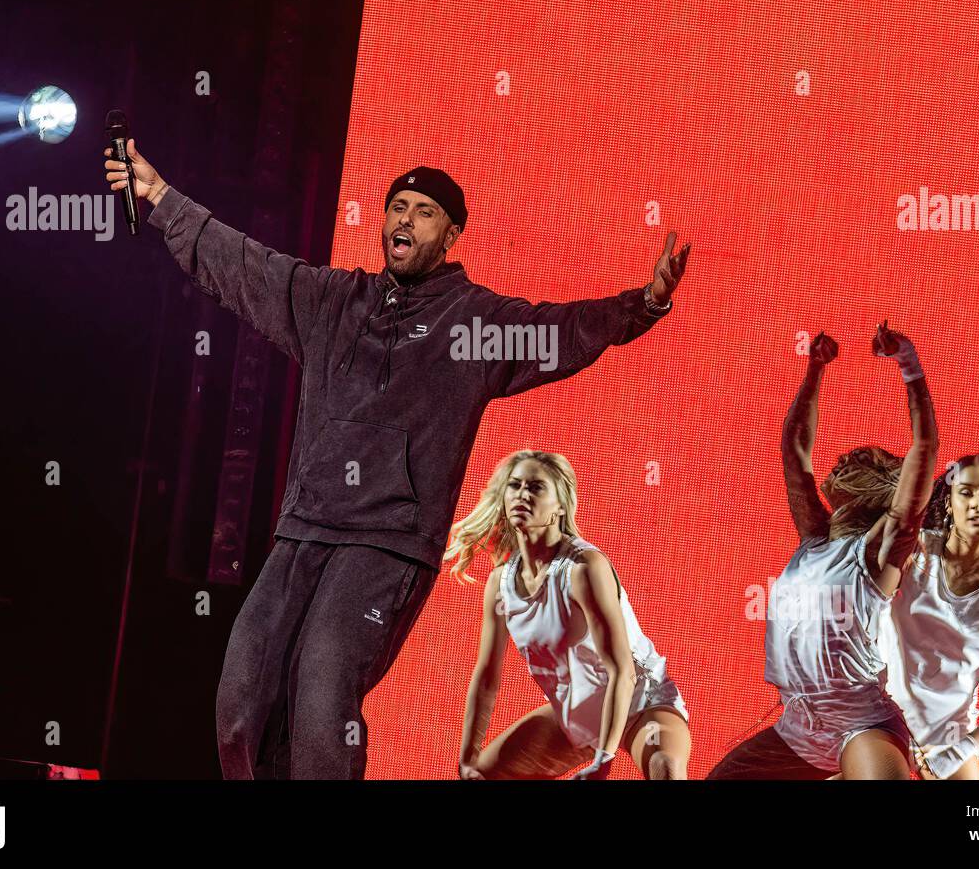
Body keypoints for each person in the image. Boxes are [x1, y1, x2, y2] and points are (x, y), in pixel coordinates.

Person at [103, 141, 690, 778]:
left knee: (324, 689)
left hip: (388, 542)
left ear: (451, 234)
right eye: (397, 208)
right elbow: (246, 266)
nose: (404, 221)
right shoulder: (332, 303)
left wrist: (645, 305)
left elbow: (561, 330)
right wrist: (162, 200)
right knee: (241, 694)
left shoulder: (473, 325)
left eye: (425, 212)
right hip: (305, 527)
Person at [708, 324, 937, 779]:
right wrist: (814, 370)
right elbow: (794, 450)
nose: (845, 459)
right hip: (797, 729)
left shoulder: (879, 551)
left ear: (883, 487)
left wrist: (909, 366)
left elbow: (924, 449)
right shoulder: (814, 540)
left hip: (860, 724)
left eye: (862, 459)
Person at [449, 450, 690, 779]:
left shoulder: (583, 569)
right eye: (515, 486)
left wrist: (603, 761)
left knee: (666, 768)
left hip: (639, 703)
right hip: (577, 715)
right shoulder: (501, 584)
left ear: (560, 505)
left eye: (536, 487)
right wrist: (468, 757)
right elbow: (488, 676)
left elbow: (622, 671)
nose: (522, 494)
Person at [877, 455, 979, 780]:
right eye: (966, 492)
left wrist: (958, 752)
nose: (977, 503)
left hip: (948, 734)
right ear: (949, 503)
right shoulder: (913, 553)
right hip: (882, 717)